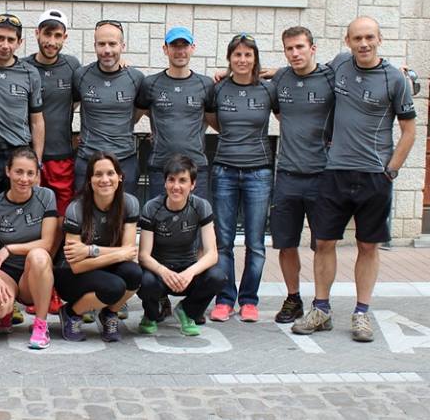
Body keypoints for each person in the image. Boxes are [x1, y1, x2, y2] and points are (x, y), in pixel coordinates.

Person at [292, 17, 416, 342]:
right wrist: (256, 74)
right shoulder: (341, 64)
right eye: (358, 38)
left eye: (370, 37)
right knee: (324, 243)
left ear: (380, 38)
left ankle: (362, 313)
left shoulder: (394, 79)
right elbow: (304, 70)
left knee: (367, 246)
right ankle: (321, 309)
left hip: (375, 176)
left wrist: (391, 170)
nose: (364, 43)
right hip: (335, 172)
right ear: (347, 41)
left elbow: (409, 131)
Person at [208, 33, 278, 323]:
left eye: (248, 55)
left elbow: (292, 74)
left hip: (258, 172)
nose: (242, 60)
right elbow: (212, 120)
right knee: (223, 241)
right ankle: (225, 299)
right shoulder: (218, 89)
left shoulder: (268, 90)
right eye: (237, 55)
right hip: (224, 169)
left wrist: (271, 71)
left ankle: (249, 300)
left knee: (255, 242)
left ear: (255, 59)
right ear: (229, 58)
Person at [267, 27, 335, 324]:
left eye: (299, 47)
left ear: (313, 48)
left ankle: (322, 305)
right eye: (289, 49)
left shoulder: (332, 78)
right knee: (286, 242)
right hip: (288, 175)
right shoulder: (281, 78)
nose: (294, 53)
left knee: (324, 243)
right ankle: (293, 298)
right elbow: (255, 77)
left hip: (323, 175)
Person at [23, 8, 81, 317]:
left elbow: (100, 90)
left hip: (62, 159)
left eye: (58, 35)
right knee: (31, 223)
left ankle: (52, 284)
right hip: (30, 160)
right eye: (47, 33)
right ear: (37, 34)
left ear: (64, 38)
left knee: (59, 223)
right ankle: (32, 285)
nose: (52, 40)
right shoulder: (23, 67)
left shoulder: (73, 67)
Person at [54, 152, 141, 342]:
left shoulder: (130, 203)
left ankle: (109, 314)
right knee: (114, 286)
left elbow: (130, 252)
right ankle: (71, 312)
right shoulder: (76, 208)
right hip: (70, 275)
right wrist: (116, 253)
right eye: (98, 174)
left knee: (134, 274)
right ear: (90, 180)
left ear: (120, 177)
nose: (105, 180)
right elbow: (76, 265)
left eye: (110, 173)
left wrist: (89, 250)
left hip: (100, 266)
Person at [136, 155, 224, 336]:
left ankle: (187, 311)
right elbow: (143, 255)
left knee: (218, 276)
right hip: (160, 272)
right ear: (165, 183)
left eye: (183, 181)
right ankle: (151, 315)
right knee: (144, 280)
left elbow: (212, 253)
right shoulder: (152, 208)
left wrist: (189, 273)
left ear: (192, 185)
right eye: (171, 180)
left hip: (187, 270)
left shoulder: (201, 206)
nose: (176, 186)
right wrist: (163, 272)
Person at [0, 147, 58, 349]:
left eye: (30, 173)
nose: (24, 179)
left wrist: (10, 248)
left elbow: (47, 243)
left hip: (32, 273)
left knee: (39, 255)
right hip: (6, 273)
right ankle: (5, 314)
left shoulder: (46, 197)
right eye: (19, 172)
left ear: (36, 175)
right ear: (8, 171)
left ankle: (41, 325)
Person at [136, 27, 214, 201]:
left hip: (196, 167)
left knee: (195, 223)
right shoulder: (150, 84)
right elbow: (133, 117)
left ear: (192, 48)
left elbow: (213, 120)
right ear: (165, 49)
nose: (180, 51)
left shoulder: (206, 84)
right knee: (160, 222)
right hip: (161, 167)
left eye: (184, 46)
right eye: (174, 46)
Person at [0, 14, 45, 199]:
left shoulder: (30, 73)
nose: (5, 45)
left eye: (11, 40)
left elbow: (36, 121)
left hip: (20, 152)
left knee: (19, 208)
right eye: (0, 38)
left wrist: (36, 163)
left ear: (19, 42)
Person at [73, 20, 145, 195]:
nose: (107, 50)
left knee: (125, 216)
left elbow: (146, 109)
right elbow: (65, 107)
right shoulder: (81, 75)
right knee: (84, 216)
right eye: (101, 44)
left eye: (112, 44)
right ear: (95, 46)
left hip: (124, 160)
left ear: (122, 46)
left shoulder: (136, 78)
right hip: (87, 160)